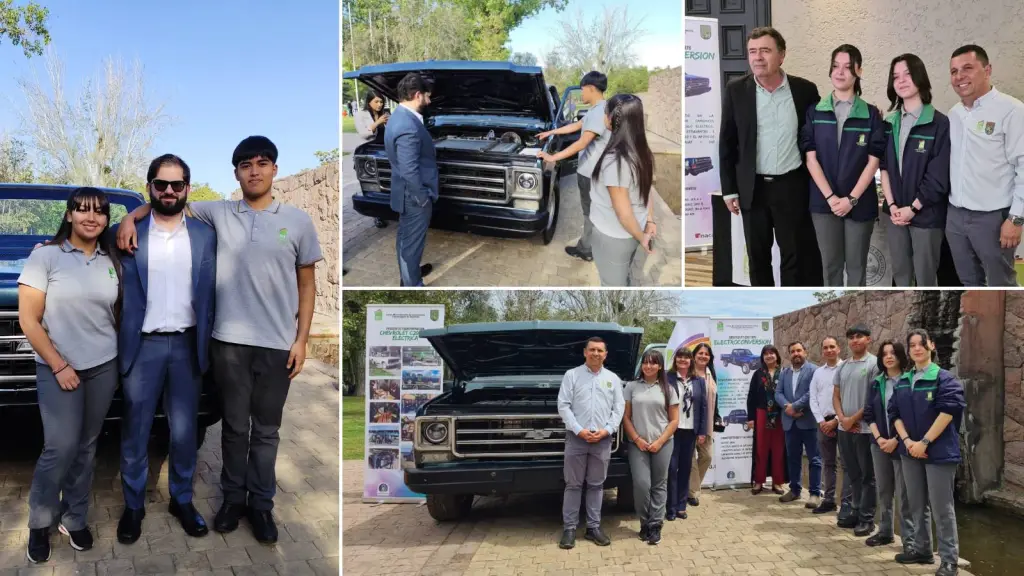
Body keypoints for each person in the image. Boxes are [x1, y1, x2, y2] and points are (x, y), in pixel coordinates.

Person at [117, 136, 322, 544]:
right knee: (181, 429)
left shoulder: (282, 223)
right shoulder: (196, 220)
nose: (255, 170)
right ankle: (150, 506)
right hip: (189, 344)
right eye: (246, 164)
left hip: (242, 345)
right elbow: (100, 240)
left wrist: (302, 339)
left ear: (274, 169)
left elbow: (307, 283)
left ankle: (235, 504)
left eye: (263, 163)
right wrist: (129, 216)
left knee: (233, 432)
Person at [116, 155, 217, 544]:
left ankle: (182, 499)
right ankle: (134, 505)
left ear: (188, 188)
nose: (169, 191)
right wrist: (48, 247)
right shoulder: (127, 233)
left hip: (188, 346)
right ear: (150, 188)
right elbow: (81, 243)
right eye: (161, 185)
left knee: (184, 432)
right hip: (143, 346)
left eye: (177, 185)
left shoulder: (206, 234)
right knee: (135, 431)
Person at [20, 187, 122, 562]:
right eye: (82, 210)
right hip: (57, 367)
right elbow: (28, 320)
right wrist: (60, 365)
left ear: (107, 220)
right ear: (69, 216)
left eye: (99, 212)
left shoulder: (112, 259)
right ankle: (39, 521)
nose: (90, 217)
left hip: (103, 366)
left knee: (87, 445)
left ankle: (74, 516)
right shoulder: (45, 256)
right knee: (59, 447)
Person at [720, 26, 823, 286]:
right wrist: (729, 190)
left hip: (791, 186)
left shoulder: (805, 91)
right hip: (752, 189)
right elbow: (727, 142)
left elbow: (825, 126)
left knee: (794, 258)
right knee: (757, 258)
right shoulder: (736, 90)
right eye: (752, 51)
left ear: (781, 55)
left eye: (765, 51)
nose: (757, 57)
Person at [801, 45, 886, 286]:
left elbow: (874, 161)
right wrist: (830, 198)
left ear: (858, 71)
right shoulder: (815, 112)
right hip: (823, 204)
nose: (840, 72)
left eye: (848, 67)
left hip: (859, 205)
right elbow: (811, 159)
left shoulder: (871, 115)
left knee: (858, 267)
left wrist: (851, 199)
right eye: (836, 66)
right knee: (830, 266)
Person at [946, 44, 1024, 287]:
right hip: (956, 216)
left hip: (993, 219)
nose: (959, 77)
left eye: (967, 68)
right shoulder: (954, 113)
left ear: (987, 70)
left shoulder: (1012, 110)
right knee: (969, 283)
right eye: (954, 71)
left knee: (1002, 284)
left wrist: (1016, 219)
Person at [889, 329, 966, 575]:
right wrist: (908, 442)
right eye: (912, 345)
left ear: (931, 346)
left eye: (922, 343)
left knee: (942, 508)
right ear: (909, 351)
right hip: (909, 450)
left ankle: (949, 560)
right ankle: (922, 550)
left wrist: (924, 442)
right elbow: (894, 414)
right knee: (916, 504)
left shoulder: (944, 378)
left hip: (939, 453)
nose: (917, 348)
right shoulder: (902, 380)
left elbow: (948, 411)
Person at [879, 53, 951, 287]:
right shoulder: (889, 123)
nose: (901, 80)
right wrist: (892, 207)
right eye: (895, 76)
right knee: (900, 275)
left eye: (907, 74)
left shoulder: (939, 123)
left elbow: (938, 176)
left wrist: (912, 208)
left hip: (926, 216)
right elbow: (885, 168)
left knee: (925, 277)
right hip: (895, 215)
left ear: (920, 77)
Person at [556, 337, 625, 549]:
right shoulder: (572, 375)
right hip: (577, 438)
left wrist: (607, 430)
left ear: (606, 355)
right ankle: (569, 529)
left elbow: (618, 408)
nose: (596, 353)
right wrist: (579, 430)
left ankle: (593, 528)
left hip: (602, 440)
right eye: (592, 350)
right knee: (573, 485)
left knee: (596, 486)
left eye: (600, 351)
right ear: (585, 352)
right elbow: (563, 405)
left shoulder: (613, 379)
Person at [584, 94, 657, 286]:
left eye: (605, 113)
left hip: (613, 235)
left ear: (611, 119)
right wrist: (649, 221)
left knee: (612, 285)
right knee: (622, 275)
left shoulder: (615, 161)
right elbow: (647, 190)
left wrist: (643, 239)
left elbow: (623, 214)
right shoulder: (643, 151)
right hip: (634, 230)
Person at [537, 71, 609, 263]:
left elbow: (582, 143)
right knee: (592, 211)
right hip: (590, 171)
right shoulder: (597, 109)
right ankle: (590, 246)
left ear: (591, 88)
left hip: (592, 173)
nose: (581, 95)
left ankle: (587, 249)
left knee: (591, 212)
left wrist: (553, 157)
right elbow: (575, 126)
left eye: (583, 90)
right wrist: (551, 131)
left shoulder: (600, 111)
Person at [862, 340, 926, 552]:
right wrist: (880, 438)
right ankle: (885, 531)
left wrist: (897, 440)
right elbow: (869, 413)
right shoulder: (876, 382)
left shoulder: (909, 381)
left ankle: (908, 540)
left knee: (904, 493)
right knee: (884, 489)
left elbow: (912, 416)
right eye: (884, 354)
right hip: (878, 443)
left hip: (902, 445)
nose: (888, 357)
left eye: (893, 353)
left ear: (900, 356)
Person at [622, 349, 679, 545]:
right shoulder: (631, 387)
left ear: (660, 366)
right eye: (645, 362)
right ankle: (644, 521)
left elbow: (674, 421)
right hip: (637, 444)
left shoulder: (668, 389)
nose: (648, 366)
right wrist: (637, 439)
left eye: (653, 363)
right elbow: (626, 417)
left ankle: (655, 525)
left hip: (662, 443)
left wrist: (660, 441)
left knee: (659, 484)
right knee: (641, 484)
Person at [385, 73, 437, 286]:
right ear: (417, 95)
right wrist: (423, 197)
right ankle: (413, 285)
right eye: (427, 96)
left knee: (405, 239)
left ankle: (408, 275)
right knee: (411, 245)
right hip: (414, 196)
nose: (429, 101)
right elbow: (409, 169)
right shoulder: (408, 126)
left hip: (404, 192)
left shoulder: (397, 117)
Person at [832, 324, 879, 535]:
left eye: (859, 336)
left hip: (865, 430)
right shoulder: (843, 366)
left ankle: (867, 519)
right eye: (851, 337)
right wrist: (842, 418)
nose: (854, 340)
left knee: (868, 476)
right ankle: (856, 511)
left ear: (868, 339)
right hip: (845, 429)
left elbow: (872, 400)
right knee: (852, 473)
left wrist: (853, 419)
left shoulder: (874, 364)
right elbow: (836, 395)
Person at [808, 336, 854, 516]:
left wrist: (836, 420)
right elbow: (813, 397)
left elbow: (848, 397)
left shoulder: (846, 369)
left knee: (847, 464)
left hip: (842, 421)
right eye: (825, 347)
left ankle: (847, 503)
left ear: (839, 349)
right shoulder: (818, 373)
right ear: (822, 351)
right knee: (828, 463)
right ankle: (829, 499)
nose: (829, 350)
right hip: (823, 423)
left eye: (832, 347)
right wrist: (821, 421)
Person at [776, 342, 822, 506]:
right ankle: (794, 490)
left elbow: (812, 392)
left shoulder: (814, 370)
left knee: (814, 459)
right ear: (789, 354)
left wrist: (794, 406)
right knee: (793, 458)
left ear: (805, 352)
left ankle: (815, 494)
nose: (796, 353)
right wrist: (787, 407)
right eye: (793, 351)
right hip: (790, 423)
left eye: (799, 350)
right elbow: (778, 393)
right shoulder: (785, 373)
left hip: (808, 421)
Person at [666, 348, 707, 520]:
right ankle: (670, 507)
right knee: (671, 469)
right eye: (679, 357)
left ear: (691, 361)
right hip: (672, 430)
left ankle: (681, 505)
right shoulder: (667, 378)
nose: (683, 360)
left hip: (690, 430)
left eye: (686, 357)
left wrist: (702, 431)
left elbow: (703, 407)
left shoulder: (698, 381)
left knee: (685, 469)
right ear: (675, 360)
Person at [747, 345, 787, 494]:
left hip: (780, 416)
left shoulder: (784, 373)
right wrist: (751, 418)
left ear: (777, 355)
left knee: (778, 449)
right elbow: (751, 397)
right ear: (762, 357)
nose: (769, 356)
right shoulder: (758, 374)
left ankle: (777, 482)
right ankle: (758, 482)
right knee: (761, 449)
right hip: (761, 414)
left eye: (772, 353)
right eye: (766, 354)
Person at [689, 343, 721, 505]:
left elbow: (715, 398)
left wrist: (717, 415)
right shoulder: (688, 373)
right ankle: (693, 493)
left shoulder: (711, 373)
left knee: (706, 457)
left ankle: (691, 488)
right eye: (700, 353)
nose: (703, 356)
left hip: (707, 423)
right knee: (690, 459)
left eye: (706, 354)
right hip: (689, 423)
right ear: (694, 356)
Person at [354, 89, 391, 229]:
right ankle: (378, 215)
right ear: (369, 102)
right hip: (370, 151)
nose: (379, 104)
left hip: (386, 151)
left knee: (388, 180)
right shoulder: (361, 115)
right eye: (376, 101)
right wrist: (377, 123)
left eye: (381, 101)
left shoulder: (386, 114)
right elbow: (364, 134)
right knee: (374, 184)